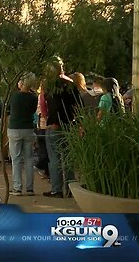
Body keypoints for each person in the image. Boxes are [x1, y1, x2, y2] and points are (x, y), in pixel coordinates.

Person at [42, 56, 82, 198]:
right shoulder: (70, 84)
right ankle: (70, 188)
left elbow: (45, 106)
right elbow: (79, 105)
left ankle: (57, 189)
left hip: (54, 125)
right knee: (68, 158)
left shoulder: (49, 86)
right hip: (69, 124)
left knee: (54, 159)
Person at [7, 73, 38, 196]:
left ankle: (17, 187)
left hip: (15, 128)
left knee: (16, 159)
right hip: (28, 128)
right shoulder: (33, 97)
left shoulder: (14, 96)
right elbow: (33, 111)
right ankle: (30, 188)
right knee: (29, 159)